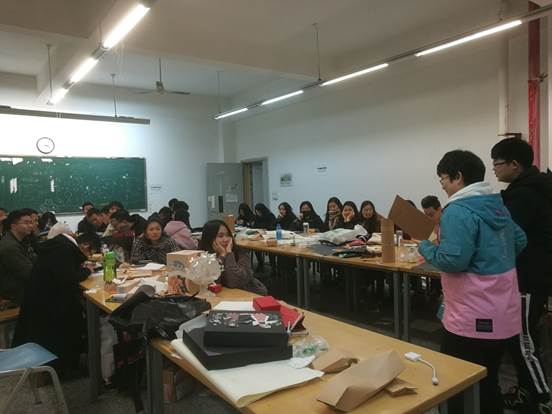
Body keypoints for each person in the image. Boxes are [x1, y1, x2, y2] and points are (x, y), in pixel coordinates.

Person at [418, 149, 526, 414]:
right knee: (488, 381)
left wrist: (426, 248)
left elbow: (453, 260)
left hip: (472, 315)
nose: (442, 186)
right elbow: (520, 240)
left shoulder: (457, 210)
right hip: (504, 310)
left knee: (456, 384)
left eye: (443, 179)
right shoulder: (496, 205)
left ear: (458, 177)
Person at [491, 138, 552, 413]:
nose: (494, 168)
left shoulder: (525, 196)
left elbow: (507, 236)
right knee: (520, 340)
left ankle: (542, 398)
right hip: (529, 274)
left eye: (497, 163)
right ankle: (526, 390)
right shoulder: (527, 189)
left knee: (523, 341)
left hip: (529, 277)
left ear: (515, 165)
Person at [13, 229, 98, 377]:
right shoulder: (65, 250)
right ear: (85, 245)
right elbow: (68, 278)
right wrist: (87, 271)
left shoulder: (58, 245)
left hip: (42, 298)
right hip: (51, 304)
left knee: (77, 311)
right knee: (75, 318)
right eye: (90, 252)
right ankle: (66, 369)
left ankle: (66, 365)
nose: (87, 256)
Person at [198, 220, 267, 295]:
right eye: (220, 236)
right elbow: (212, 283)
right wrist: (222, 256)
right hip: (223, 295)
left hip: (249, 292)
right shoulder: (204, 255)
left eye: (228, 235)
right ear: (209, 239)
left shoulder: (241, 252)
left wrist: (229, 254)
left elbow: (234, 282)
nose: (226, 239)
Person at [0, 210, 37, 303]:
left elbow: (34, 260)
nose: (31, 226)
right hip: (15, 292)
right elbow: (29, 273)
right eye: (26, 223)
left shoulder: (23, 240)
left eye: (31, 222)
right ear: (13, 226)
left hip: (22, 286)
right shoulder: (10, 247)